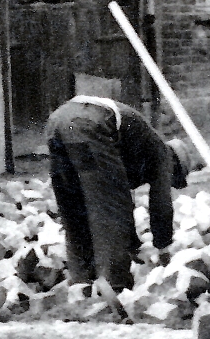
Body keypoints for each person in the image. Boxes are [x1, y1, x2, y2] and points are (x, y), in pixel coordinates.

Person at [44, 93, 178, 290]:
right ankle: (114, 287)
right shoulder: (163, 154)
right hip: (88, 124)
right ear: (177, 163)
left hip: (57, 122)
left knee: (73, 207)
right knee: (110, 211)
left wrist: (132, 245)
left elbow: (116, 191)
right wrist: (163, 245)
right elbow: (161, 203)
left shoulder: (139, 146)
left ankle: (81, 283)